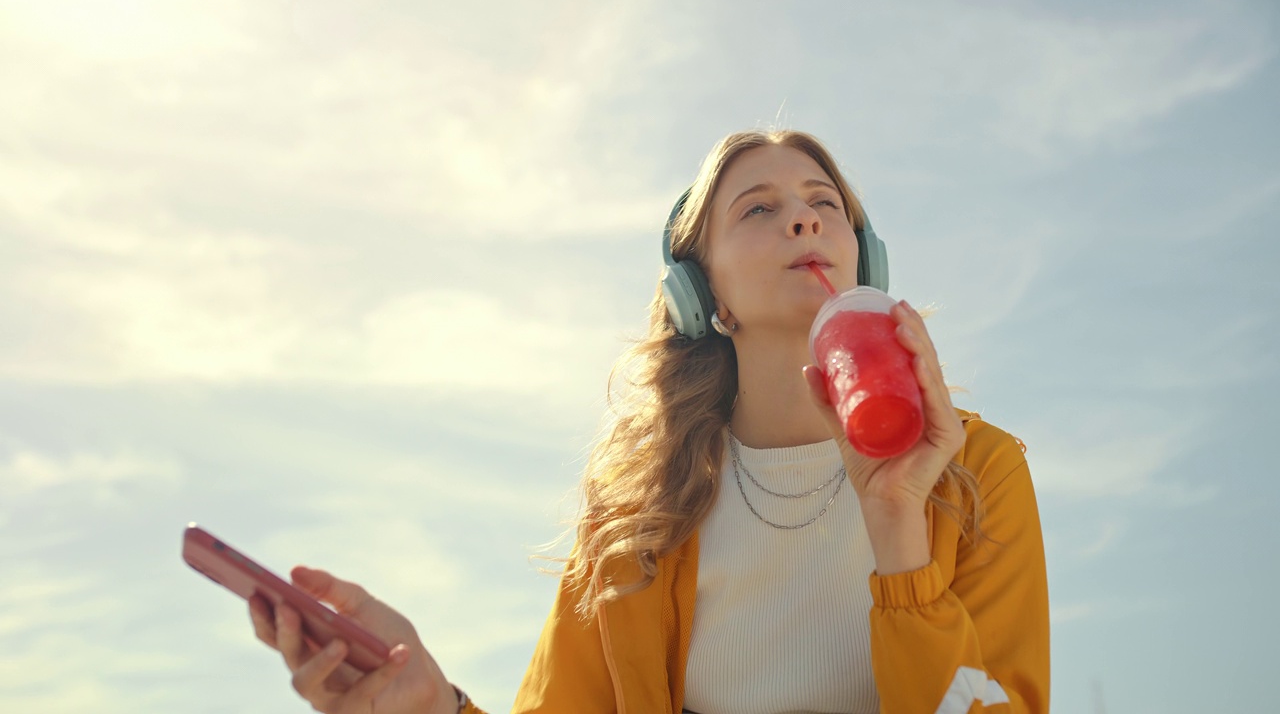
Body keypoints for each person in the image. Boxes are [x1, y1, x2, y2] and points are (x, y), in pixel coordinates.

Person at [247, 129, 1051, 714]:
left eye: (824, 205)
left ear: (864, 261)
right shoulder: (637, 519)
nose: (803, 222)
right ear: (703, 297)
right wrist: (429, 702)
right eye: (759, 208)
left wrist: (897, 530)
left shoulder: (977, 471)